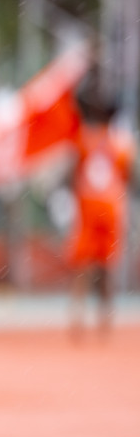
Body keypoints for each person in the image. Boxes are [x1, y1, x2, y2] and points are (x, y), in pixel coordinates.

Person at [66, 88, 134, 338]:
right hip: (108, 211)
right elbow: (128, 178)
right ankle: (102, 320)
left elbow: (74, 175)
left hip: (92, 212)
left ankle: (81, 317)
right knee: (104, 268)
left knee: (85, 268)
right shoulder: (120, 143)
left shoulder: (86, 139)